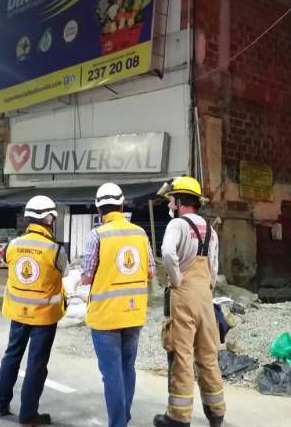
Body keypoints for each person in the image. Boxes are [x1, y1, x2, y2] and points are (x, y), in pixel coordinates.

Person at [80, 182, 155, 427]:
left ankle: (118, 423)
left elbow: (87, 276)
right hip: (133, 314)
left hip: (106, 318)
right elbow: (151, 272)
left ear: (98, 209)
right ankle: (124, 416)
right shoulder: (140, 233)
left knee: (111, 373)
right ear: (122, 206)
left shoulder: (97, 235)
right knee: (127, 369)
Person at [153, 176, 225, 427]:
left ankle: (178, 417)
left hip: (183, 295)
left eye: (172, 199)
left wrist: (177, 279)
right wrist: (206, 287)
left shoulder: (177, 225)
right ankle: (216, 413)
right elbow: (214, 266)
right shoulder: (210, 229)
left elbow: (167, 253)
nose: (170, 204)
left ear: (181, 201)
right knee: (208, 355)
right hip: (205, 296)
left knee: (182, 355)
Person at [0, 195, 68, 427]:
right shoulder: (55, 250)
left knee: (12, 355)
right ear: (48, 218)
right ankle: (28, 415)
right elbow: (64, 273)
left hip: (17, 313)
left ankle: (0, 405)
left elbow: (5, 260)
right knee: (36, 363)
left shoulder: (13, 245)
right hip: (44, 317)